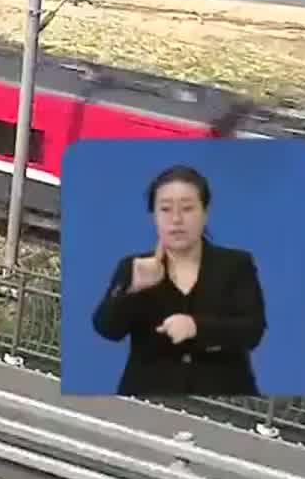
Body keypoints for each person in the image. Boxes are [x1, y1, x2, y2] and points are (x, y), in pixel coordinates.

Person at [91, 164, 267, 396]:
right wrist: (134, 290)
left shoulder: (236, 264)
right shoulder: (133, 266)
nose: (176, 219)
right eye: (165, 209)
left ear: (205, 213)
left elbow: (252, 331)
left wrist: (197, 327)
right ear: (153, 215)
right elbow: (107, 329)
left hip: (223, 399)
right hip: (150, 398)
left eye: (187, 208)